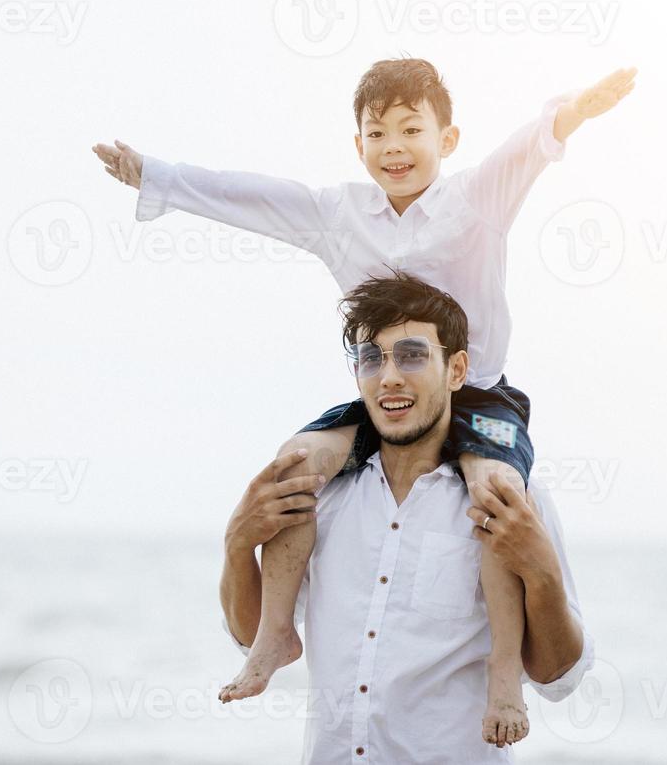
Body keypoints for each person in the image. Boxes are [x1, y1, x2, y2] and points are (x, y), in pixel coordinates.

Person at [93, 57, 635, 744]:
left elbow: (526, 149)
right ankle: (273, 638)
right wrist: (156, 175)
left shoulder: (476, 199)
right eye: (377, 134)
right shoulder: (338, 214)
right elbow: (254, 198)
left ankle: (503, 670)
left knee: (495, 491)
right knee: (295, 464)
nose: (395, 148)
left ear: (449, 138)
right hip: (384, 401)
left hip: (482, 398)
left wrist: (574, 110)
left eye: (412, 129)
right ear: (358, 146)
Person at [218, 272, 593, 761]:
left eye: (413, 355)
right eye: (371, 358)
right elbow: (252, 634)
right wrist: (237, 545)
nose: (389, 375)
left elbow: (557, 676)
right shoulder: (319, 496)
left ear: (456, 370)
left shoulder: (511, 498)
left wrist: (542, 573)